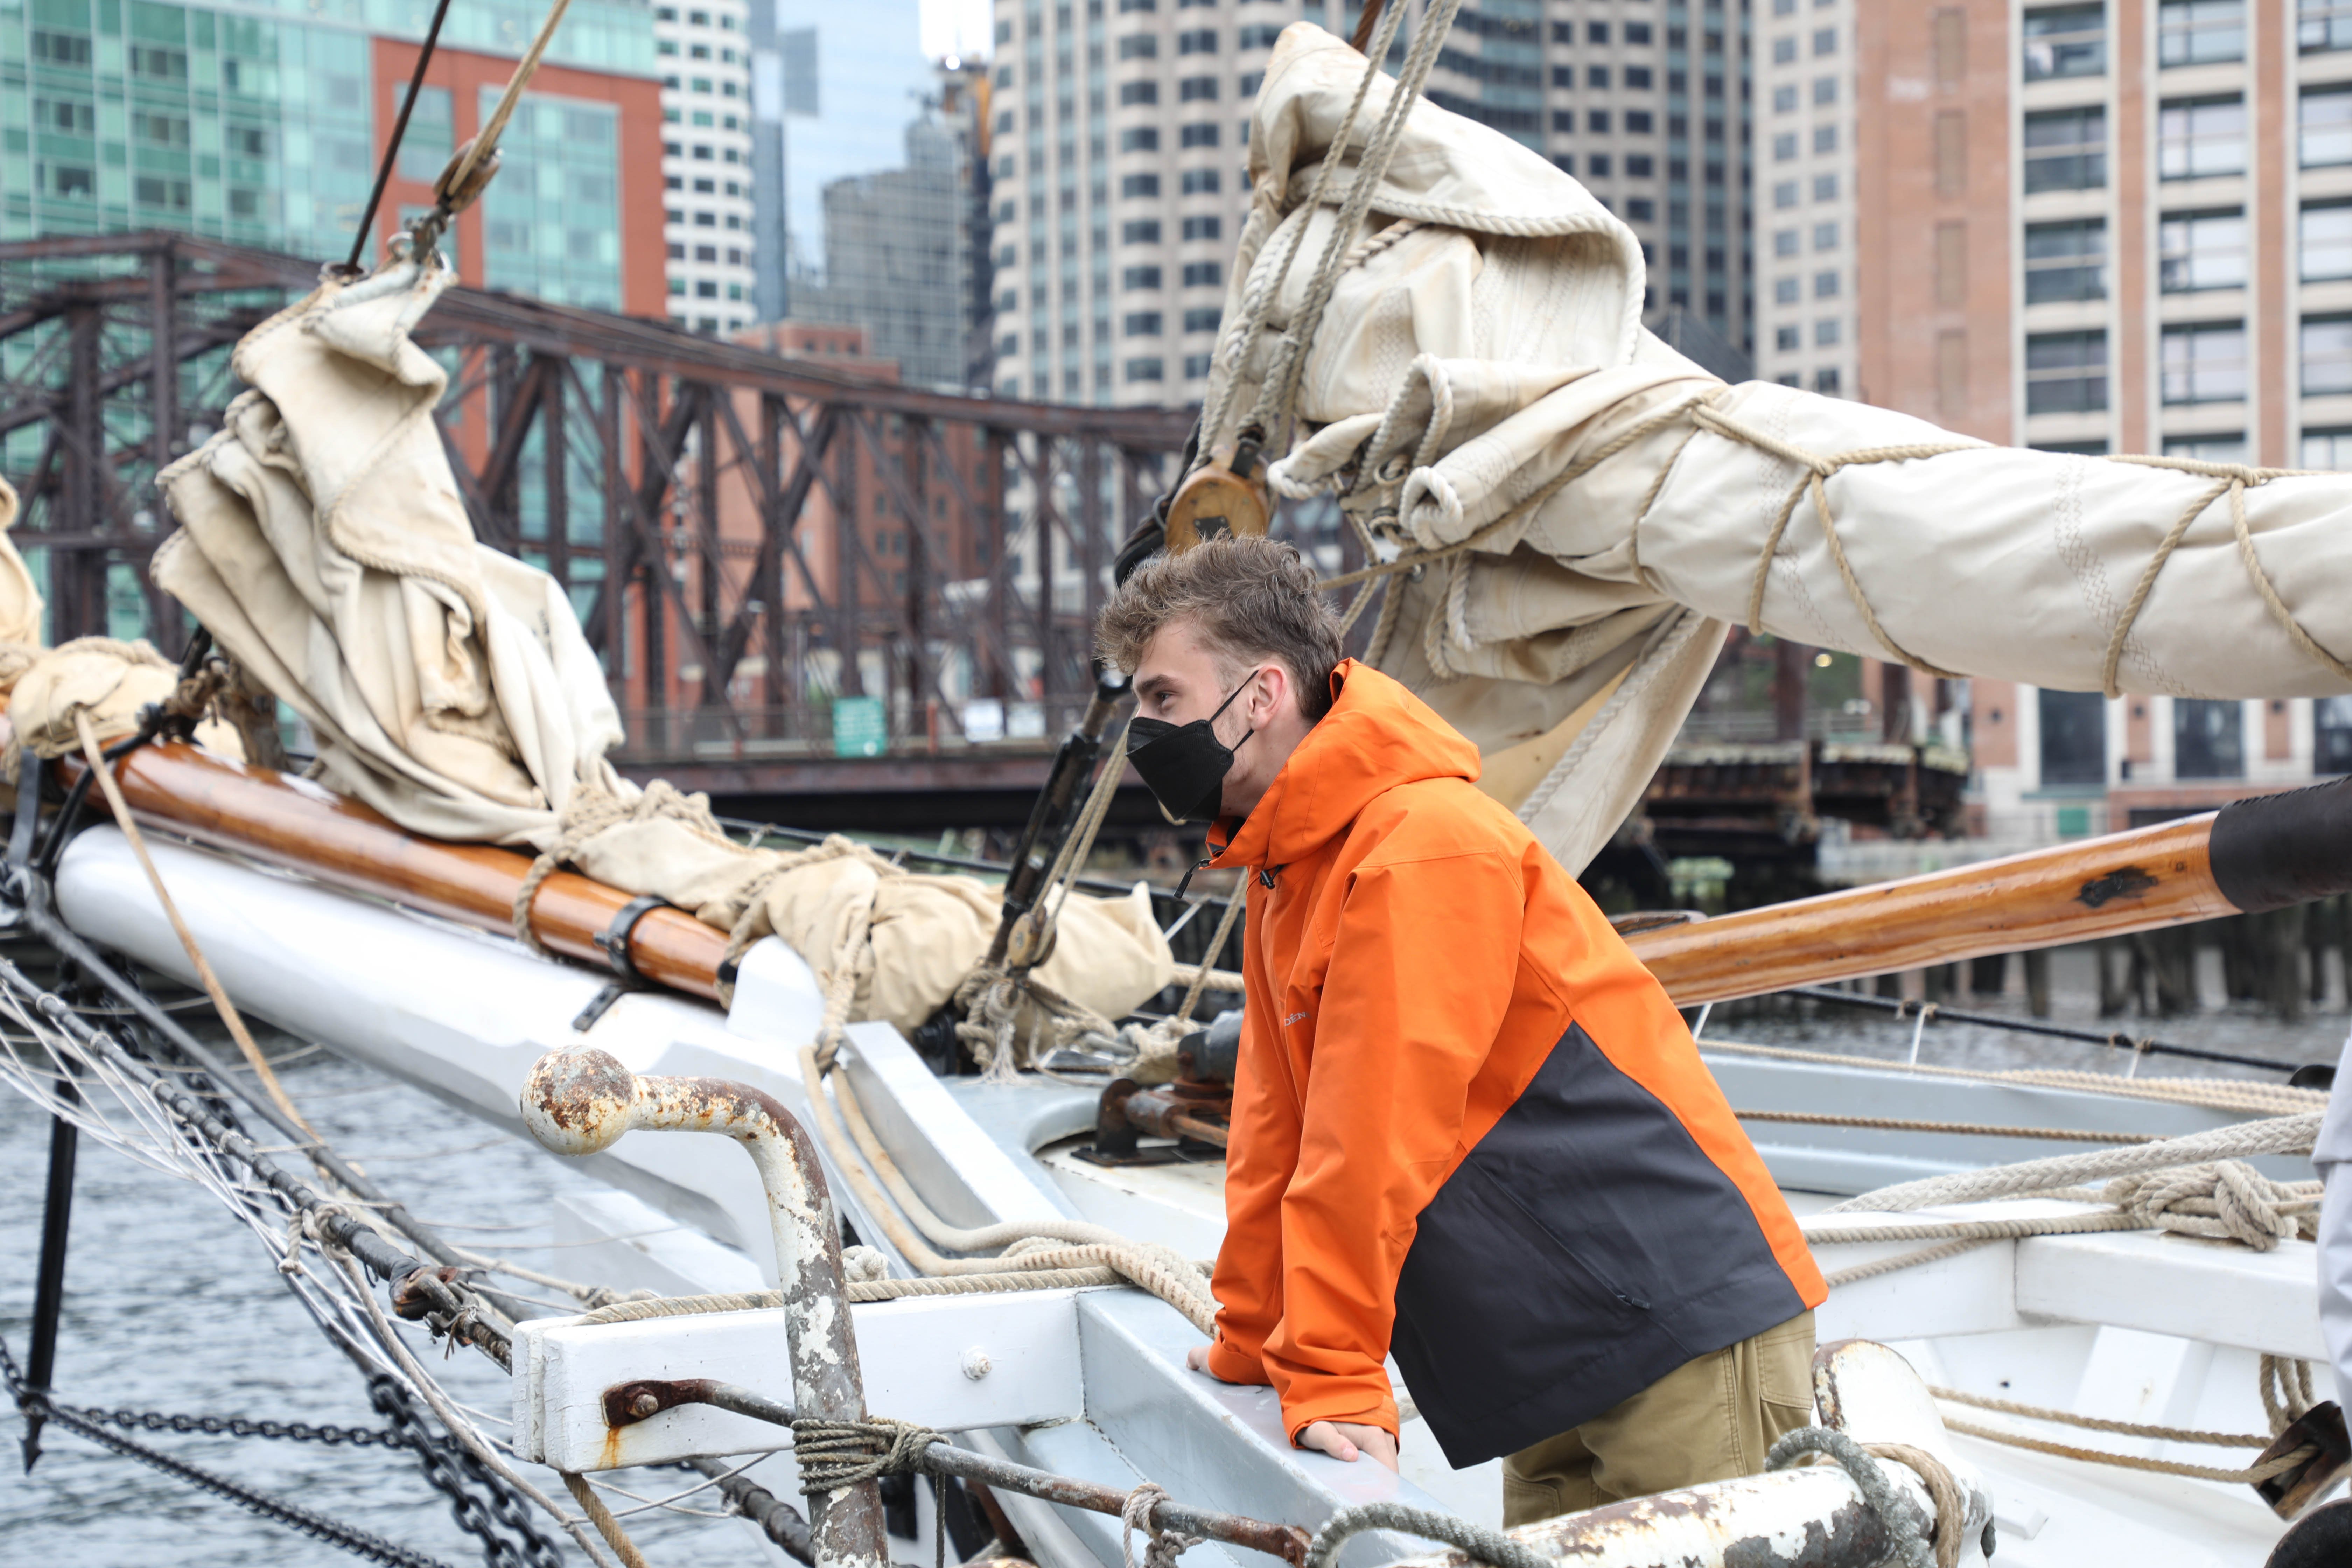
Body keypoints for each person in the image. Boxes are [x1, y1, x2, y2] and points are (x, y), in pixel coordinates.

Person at [1094, 535, 1826, 1522]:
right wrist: (1257, 1336)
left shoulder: (1419, 848)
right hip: (1554, 1344)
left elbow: (1371, 1142)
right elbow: (1278, 1134)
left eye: (1161, 698)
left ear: (1260, 696)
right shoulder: (1291, 872)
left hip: (1668, 1325)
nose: (1141, 731)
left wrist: (1334, 1372)